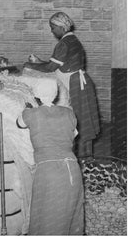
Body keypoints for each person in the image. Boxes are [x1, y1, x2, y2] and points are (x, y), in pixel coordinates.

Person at [23, 11, 100, 158]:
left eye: (53, 27)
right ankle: (84, 157)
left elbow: (50, 68)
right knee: (82, 120)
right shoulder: (73, 40)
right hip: (79, 81)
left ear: (61, 27)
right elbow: (56, 64)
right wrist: (39, 62)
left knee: (78, 121)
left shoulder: (63, 43)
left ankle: (82, 159)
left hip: (76, 84)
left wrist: (30, 65)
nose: (52, 31)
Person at [16, 81, 84, 235]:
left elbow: (19, 124)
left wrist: (28, 107)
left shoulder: (30, 114)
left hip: (48, 171)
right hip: (73, 168)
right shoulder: (69, 113)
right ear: (56, 94)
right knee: (70, 213)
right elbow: (73, 135)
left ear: (36, 95)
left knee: (47, 217)